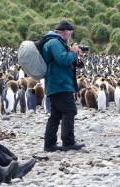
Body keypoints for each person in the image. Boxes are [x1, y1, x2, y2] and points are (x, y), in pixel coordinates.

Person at [42, 20, 86, 152]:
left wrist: (74, 56)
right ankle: (68, 142)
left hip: (56, 84)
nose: (71, 34)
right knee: (69, 110)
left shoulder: (56, 43)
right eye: (70, 31)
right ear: (65, 31)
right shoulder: (55, 42)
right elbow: (62, 60)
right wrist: (72, 52)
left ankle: (49, 144)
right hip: (59, 84)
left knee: (56, 114)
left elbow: (62, 61)